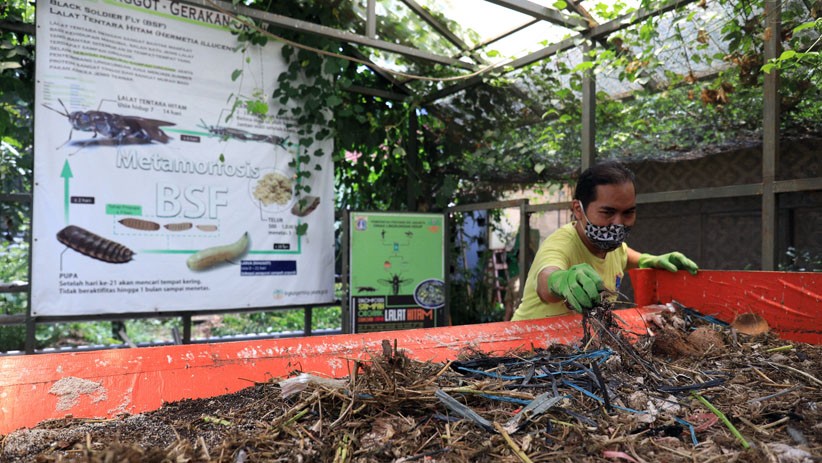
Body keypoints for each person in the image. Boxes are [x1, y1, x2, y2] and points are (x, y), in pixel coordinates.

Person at [511, 161, 698, 321]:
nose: (617, 224)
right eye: (608, 212)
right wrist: (561, 280)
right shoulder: (561, 243)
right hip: (526, 349)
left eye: (628, 212)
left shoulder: (613, 247)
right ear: (578, 209)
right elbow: (546, 282)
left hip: (574, 349)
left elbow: (626, 256)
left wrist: (650, 260)